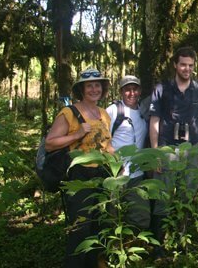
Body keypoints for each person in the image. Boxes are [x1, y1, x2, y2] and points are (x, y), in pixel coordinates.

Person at [45, 68, 114, 268]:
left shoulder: (103, 114)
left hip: (101, 174)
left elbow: (106, 145)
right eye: (89, 85)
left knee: (98, 226)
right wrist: (77, 135)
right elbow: (50, 143)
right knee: (80, 229)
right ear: (81, 89)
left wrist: (117, 161)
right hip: (78, 175)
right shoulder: (69, 113)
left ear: (103, 88)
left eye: (97, 85)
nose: (94, 89)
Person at [148, 47, 198, 255]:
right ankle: (159, 244)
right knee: (163, 195)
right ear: (175, 65)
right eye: (183, 64)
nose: (187, 69)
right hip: (167, 148)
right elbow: (154, 121)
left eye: (191, 65)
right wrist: (155, 152)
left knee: (187, 195)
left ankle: (181, 240)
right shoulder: (162, 89)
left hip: (192, 149)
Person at [106, 75, 150, 232]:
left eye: (135, 89)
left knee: (141, 216)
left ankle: (135, 247)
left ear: (140, 91)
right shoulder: (113, 111)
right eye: (127, 90)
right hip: (116, 173)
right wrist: (116, 162)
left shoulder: (144, 113)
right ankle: (112, 253)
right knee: (113, 216)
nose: (132, 93)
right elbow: (101, 140)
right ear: (121, 92)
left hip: (137, 173)